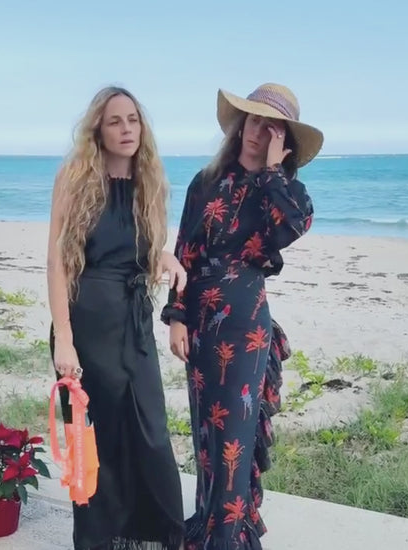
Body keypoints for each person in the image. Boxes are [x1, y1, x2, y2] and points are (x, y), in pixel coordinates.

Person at [162, 83, 323, 549]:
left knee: (235, 438)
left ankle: (229, 538)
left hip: (246, 326)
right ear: (240, 124)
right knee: (207, 437)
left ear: (282, 139)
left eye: (271, 128)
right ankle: (209, 526)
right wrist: (177, 316)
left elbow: (293, 227)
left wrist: (272, 170)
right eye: (254, 120)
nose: (258, 132)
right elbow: (185, 252)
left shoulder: (286, 192)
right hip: (200, 322)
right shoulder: (206, 181)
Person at [47, 86, 186, 550]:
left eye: (133, 120)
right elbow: (57, 263)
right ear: (98, 130)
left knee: (151, 433)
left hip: (134, 322)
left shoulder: (149, 181)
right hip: (87, 325)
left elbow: (137, 247)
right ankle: (100, 540)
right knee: (98, 440)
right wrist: (64, 339)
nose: (126, 129)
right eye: (115, 121)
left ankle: (149, 537)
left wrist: (162, 255)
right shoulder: (75, 177)